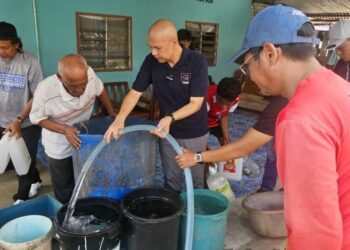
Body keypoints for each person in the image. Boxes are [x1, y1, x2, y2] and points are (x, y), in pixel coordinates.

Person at [230, 5, 350, 249]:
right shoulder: (338, 87)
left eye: (247, 66)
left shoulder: (299, 120)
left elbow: (316, 235)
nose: (249, 76)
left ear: (270, 53)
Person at [104, 19, 209, 192]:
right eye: (150, 47)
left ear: (174, 43)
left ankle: (195, 215)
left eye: (158, 48)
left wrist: (171, 117)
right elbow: (135, 92)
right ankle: (174, 216)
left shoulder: (196, 62)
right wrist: (119, 119)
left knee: (195, 180)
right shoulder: (152, 61)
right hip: (167, 131)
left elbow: (196, 103)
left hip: (194, 131)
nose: (153, 52)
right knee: (171, 181)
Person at [30, 54, 116, 204]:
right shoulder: (45, 90)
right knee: (64, 183)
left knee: (85, 177)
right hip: (58, 143)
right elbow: (37, 119)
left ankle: (83, 207)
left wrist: (112, 114)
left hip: (84, 137)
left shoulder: (90, 74)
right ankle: (66, 215)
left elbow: (100, 90)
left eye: (83, 84)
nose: (80, 90)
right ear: (60, 78)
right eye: (73, 85)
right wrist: (65, 129)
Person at [176, 95, 288, 193]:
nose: (257, 88)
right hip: (203, 126)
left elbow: (241, 148)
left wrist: (197, 157)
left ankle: (287, 192)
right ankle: (270, 188)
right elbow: (246, 145)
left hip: (299, 150)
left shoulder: (279, 106)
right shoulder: (279, 103)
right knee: (273, 156)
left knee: (286, 160)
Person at [0, 21, 43, 204]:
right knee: (20, 157)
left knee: (22, 161)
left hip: (26, 122)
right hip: (2, 120)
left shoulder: (30, 63)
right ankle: (36, 179)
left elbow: (37, 96)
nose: (1, 51)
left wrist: (19, 118)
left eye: (5, 47)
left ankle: (22, 199)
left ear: (16, 44)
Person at [207, 77, 241, 146]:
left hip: (216, 122)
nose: (223, 107)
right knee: (200, 147)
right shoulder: (207, 96)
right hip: (200, 122)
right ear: (216, 94)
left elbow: (224, 116)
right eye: (220, 101)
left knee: (226, 144)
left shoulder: (236, 98)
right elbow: (198, 122)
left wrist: (227, 140)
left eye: (228, 104)